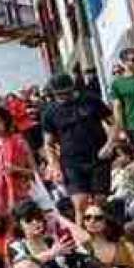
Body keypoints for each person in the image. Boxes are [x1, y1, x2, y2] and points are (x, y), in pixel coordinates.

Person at [42, 72, 118, 216]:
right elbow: (48, 143)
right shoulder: (49, 112)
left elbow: (114, 123)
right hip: (71, 162)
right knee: (80, 202)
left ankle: (107, 233)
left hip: (98, 158)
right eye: (59, 94)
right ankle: (83, 237)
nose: (64, 97)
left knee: (100, 201)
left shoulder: (90, 100)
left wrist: (110, 145)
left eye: (67, 93)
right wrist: (54, 165)